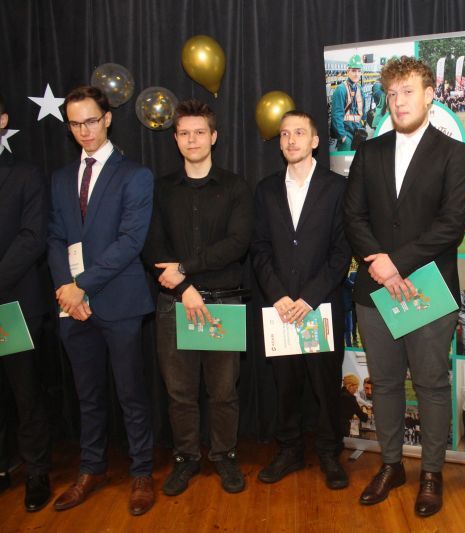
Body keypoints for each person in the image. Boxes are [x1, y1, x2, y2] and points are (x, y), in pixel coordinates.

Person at [344, 55, 465, 517]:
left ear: (430, 95)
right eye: (392, 93)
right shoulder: (369, 151)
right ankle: (392, 464)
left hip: (427, 290)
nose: (399, 102)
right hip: (375, 291)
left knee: (432, 384)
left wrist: (396, 263)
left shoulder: (452, 152)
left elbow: (452, 223)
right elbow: (353, 216)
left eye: (408, 92)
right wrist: (381, 266)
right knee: (385, 383)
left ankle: (432, 473)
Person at [47, 85, 155, 515]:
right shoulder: (60, 179)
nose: (84, 131)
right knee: (87, 395)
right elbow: (55, 239)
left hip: (119, 302)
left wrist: (83, 285)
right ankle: (91, 469)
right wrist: (67, 290)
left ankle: (142, 471)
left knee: (131, 394)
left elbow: (130, 241)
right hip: (73, 306)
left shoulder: (135, 175)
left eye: (91, 121)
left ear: (107, 118)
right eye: (75, 124)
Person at [143, 99, 254, 496]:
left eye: (200, 132)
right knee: (180, 393)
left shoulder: (236, 187)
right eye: (184, 133)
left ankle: (224, 455)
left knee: (224, 391)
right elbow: (152, 246)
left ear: (214, 136)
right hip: (175, 305)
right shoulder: (161, 189)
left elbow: (237, 244)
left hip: (223, 303)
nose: (192, 140)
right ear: (175, 139)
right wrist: (184, 288)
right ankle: (186, 458)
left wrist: (185, 269)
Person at [251, 110, 351, 490]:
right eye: (284, 134)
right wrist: (277, 294)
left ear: (314, 141)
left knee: (325, 386)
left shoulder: (337, 188)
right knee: (285, 385)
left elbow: (342, 252)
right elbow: (259, 248)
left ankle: (329, 452)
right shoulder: (265, 190)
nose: (291, 140)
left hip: (320, 306)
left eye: (299, 133)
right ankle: (290, 449)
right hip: (279, 310)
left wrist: (309, 297)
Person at [0, 93, 52, 512]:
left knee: (26, 394)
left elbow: (33, 238)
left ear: (2, 121)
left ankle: (37, 471)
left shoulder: (26, 175)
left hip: (14, 304)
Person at [330, 54, 365, 151]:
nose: (356, 74)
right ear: (347, 71)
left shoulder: (360, 90)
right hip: (346, 133)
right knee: (345, 159)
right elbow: (336, 115)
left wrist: (363, 126)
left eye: (359, 71)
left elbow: (363, 110)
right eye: (353, 70)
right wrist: (342, 136)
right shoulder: (340, 90)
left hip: (358, 132)